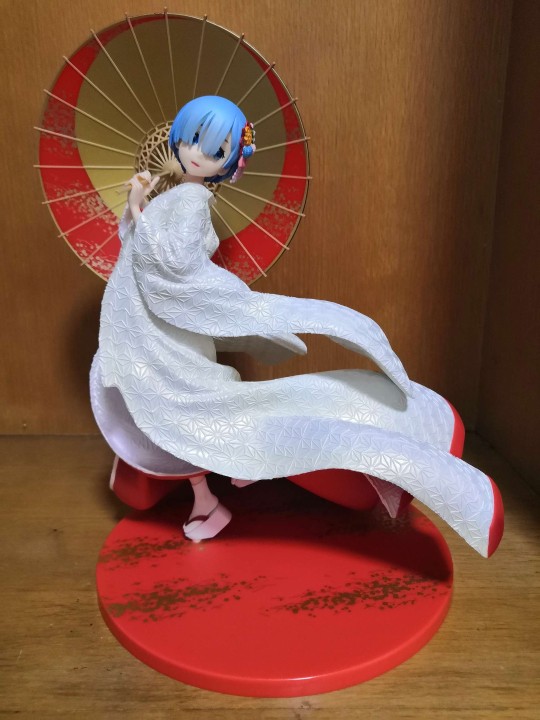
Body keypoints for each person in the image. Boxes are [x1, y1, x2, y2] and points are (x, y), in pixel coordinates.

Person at [90, 95, 503, 555]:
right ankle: (218, 490)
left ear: (229, 162)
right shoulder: (180, 196)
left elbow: (176, 266)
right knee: (181, 418)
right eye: (195, 139)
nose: (200, 154)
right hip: (160, 333)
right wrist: (139, 211)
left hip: (167, 338)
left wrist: (140, 214)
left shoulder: (192, 202)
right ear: (179, 137)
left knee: (188, 415)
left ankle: (234, 477)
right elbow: (150, 255)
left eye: (217, 150)